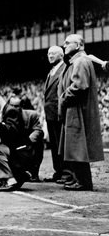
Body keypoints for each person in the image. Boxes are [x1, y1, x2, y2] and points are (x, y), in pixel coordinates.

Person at [58, 34, 105, 191]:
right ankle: (79, 179)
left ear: (78, 45)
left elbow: (79, 86)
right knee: (75, 146)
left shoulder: (80, 61)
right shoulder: (78, 61)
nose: (64, 45)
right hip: (75, 108)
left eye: (67, 43)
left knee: (77, 146)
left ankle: (83, 181)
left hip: (77, 109)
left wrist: (63, 97)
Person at [0, 89, 44, 192]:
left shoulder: (10, 110)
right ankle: (20, 175)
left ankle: (10, 180)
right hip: (19, 150)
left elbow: (12, 133)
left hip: (22, 152)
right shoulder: (4, 111)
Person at [42, 45, 67, 182]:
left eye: (53, 53)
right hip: (50, 113)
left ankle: (64, 172)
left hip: (58, 113)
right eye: (48, 54)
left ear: (61, 55)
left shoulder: (64, 69)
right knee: (54, 144)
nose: (50, 56)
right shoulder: (51, 71)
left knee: (60, 144)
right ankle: (58, 171)